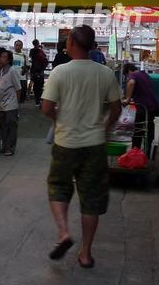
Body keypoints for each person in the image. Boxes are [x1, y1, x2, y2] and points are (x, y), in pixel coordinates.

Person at [42, 25, 122, 269]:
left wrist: (61, 119)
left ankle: (64, 232)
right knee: (91, 199)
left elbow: (46, 108)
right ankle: (85, 253)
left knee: (58, 186)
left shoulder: (59, 72)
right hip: (95, 144)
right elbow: (116, 109)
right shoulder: (105, 73)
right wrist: (105, 129)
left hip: (66, 142)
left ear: (72, 44)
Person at [123, 62, 159, 154]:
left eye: (126, 76)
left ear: (128, 71)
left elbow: (131, 83)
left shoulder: (133, 75)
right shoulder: (145, 75)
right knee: (150, 131)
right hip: (155, 106)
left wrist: (127, 99)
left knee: (138, 131)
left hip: (144, 107)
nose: (127, 78)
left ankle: (135, 153)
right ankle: (149, 154)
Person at [0, 49, 21, 156]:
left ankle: (10, 147)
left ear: (8, 60)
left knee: (11, 126)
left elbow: (18, 88)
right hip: (2, 104)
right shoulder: (1, 71)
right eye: (1, 57)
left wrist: (17, 104)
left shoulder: (12, 71)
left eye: (4, 57)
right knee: (3, 126)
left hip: (11, 104)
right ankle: (4, 146)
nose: (1, 59)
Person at [29, 39, 48, 105]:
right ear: (38, 43)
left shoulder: (32, 51)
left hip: (33, 69)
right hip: (40, 70)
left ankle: (31, 96)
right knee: (40, 85)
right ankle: (39, 98)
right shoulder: (40, 51)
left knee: (33, 83)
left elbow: (31, 58)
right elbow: (45, 57)